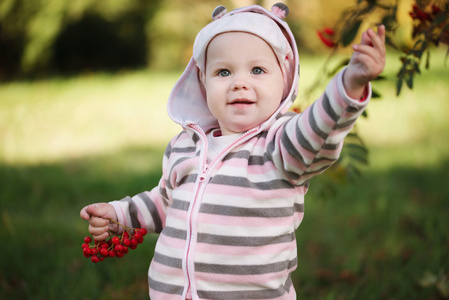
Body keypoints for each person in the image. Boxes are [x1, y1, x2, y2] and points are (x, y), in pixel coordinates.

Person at [80, 3, 386, 300]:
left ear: (284, 81)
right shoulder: (186, 145)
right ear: (203, 82)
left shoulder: (280, 146)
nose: (239, 82)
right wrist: (120, 214)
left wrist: (350, 84)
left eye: (257, 70)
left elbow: (317, 128)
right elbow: (165, 202)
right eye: (223, 72)